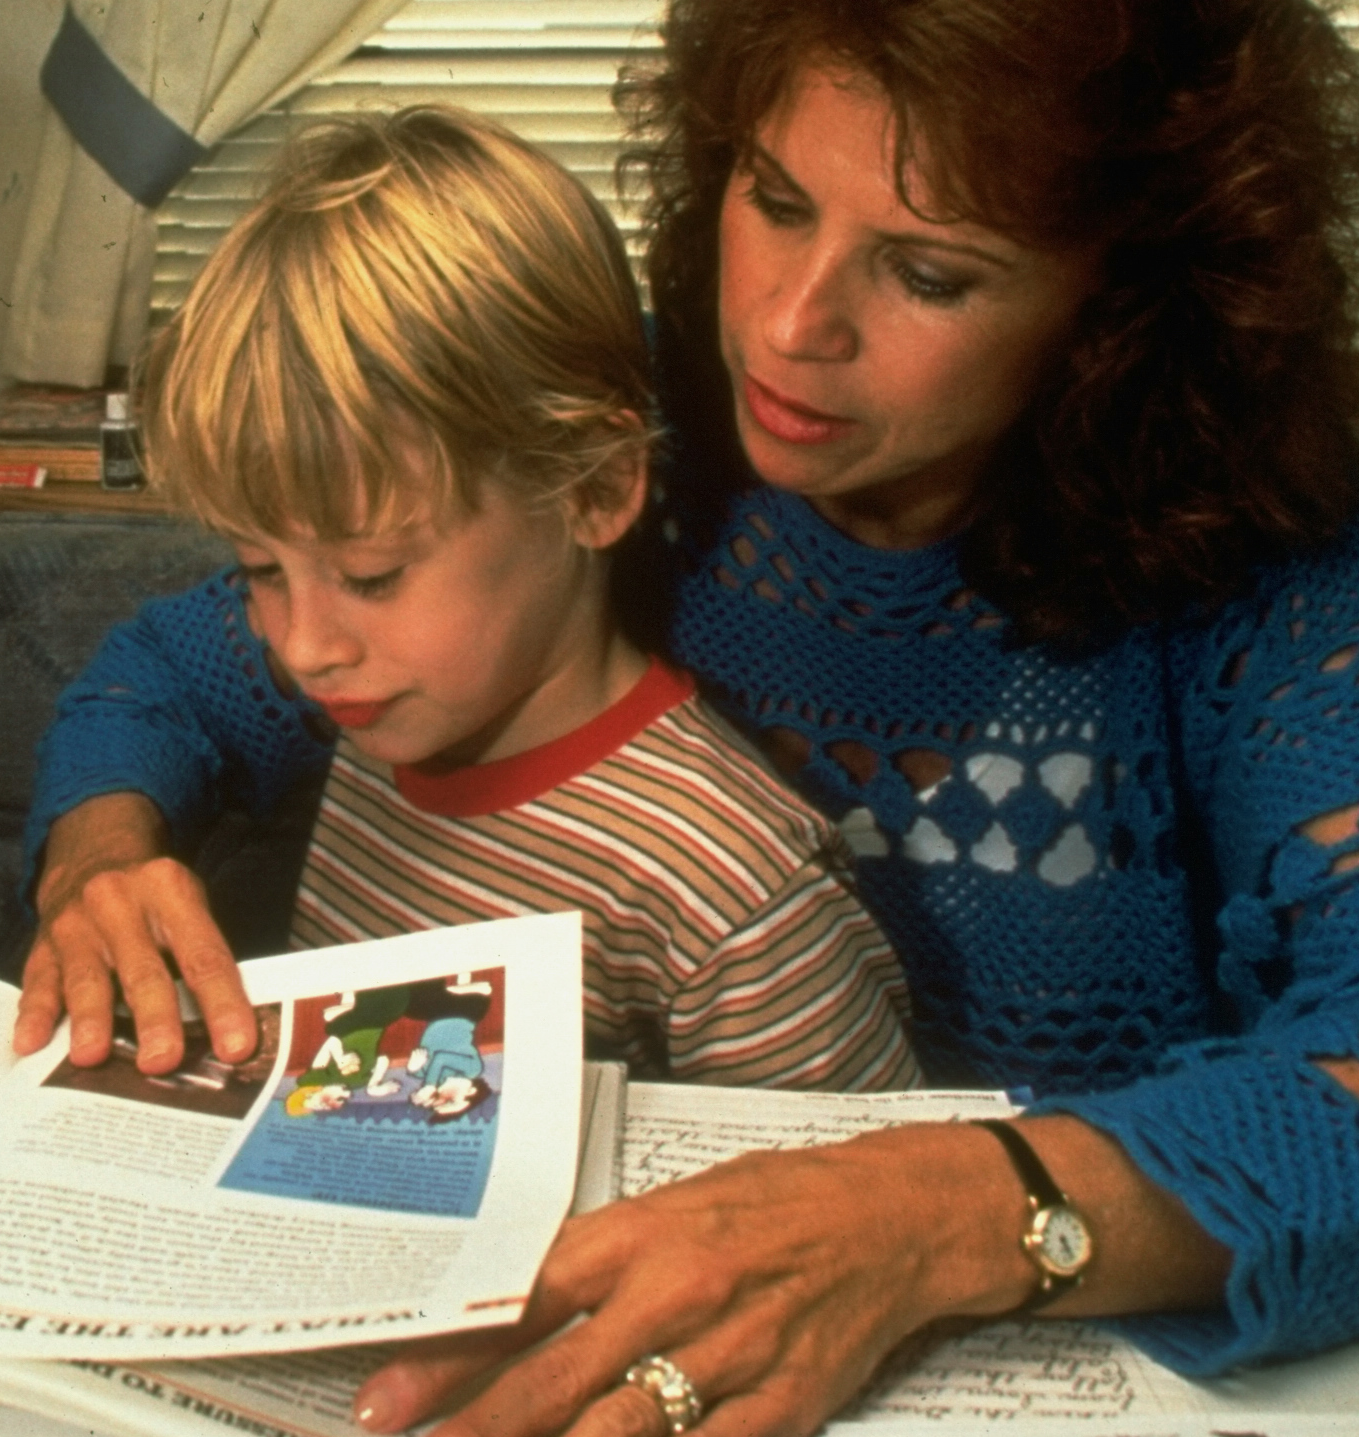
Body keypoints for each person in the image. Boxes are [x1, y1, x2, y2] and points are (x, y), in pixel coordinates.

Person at [12, 0, 1359, 1437]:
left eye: (927, 270)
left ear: (1120, 304)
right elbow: (192, 660)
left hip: (1077, 1386)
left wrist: (948, 1208)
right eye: (774, 200)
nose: (787, 327)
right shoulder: (626, 428)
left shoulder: (1276, 546)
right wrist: (102, 845)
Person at [111, 105, 920, 1093]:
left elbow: (848, 1214)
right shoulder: (384, 736)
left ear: (593, 488)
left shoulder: (727, 892)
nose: (306, 646)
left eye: (372, 574)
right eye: (261, 569)